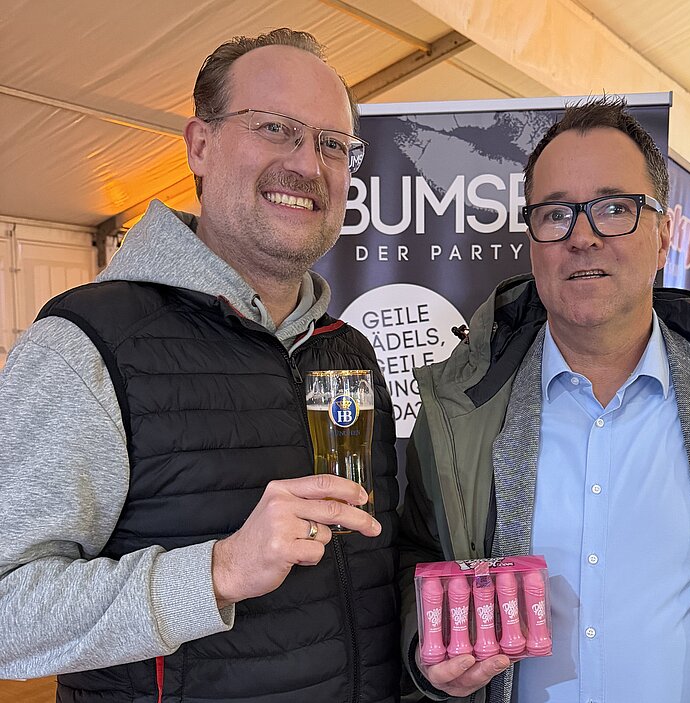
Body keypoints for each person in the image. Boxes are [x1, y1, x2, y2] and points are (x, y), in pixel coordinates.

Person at [398, 96, 690, 702]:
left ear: (663, 235)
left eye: (615, 208)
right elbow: (419, 557)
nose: (582, 237)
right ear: (532, 241)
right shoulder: (459, 413)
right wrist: (425, 647)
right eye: (555, 214)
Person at [0, 29, 400, 702]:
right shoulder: (87, 344)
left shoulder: (346, 349)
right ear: (200, 146)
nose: (308, 163)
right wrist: (217, 571)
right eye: (275, 128)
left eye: (333, 144)